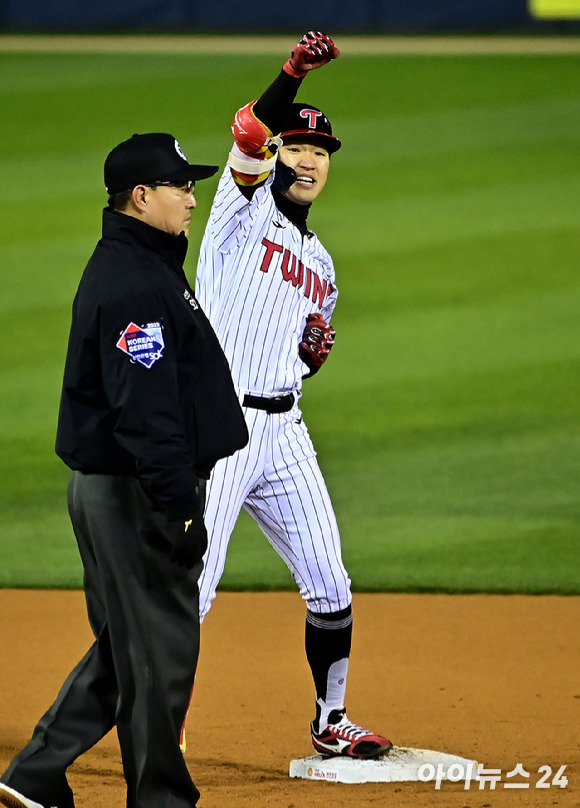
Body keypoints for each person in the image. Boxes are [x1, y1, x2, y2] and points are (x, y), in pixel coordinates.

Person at [0, 132, 248, 808]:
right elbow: (145, 411)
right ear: (141, 197)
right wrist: (181, 506)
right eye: (180, 187)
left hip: (118, 487)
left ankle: (34, 775)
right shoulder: (136, 282)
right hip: (137, 492)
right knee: (161, 654)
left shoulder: (139, 262)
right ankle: (160, 798)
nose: (192, 198)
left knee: (129, 648)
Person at [191, 32, 392, 759]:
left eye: (321, 152)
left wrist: (309, 360)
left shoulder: (323, 263)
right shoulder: (237, 213)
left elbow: (302, 350)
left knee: (330, 582)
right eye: (297, 147)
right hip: (217, 426)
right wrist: (291, 73)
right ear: (277, 158)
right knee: (194, 589)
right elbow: (248, 129)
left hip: (285, 432)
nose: (309, 159)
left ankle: (331, 719)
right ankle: (153, 721)